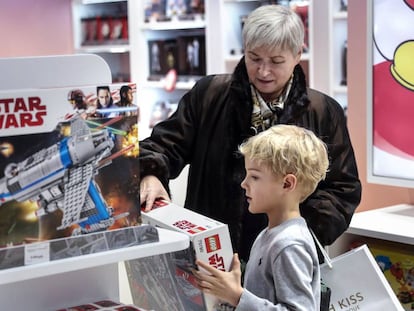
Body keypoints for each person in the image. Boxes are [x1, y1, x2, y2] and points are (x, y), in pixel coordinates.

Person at [139, 4, 362, 263]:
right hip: (210, 253)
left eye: (276, 61)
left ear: (297, 54)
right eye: (254, 58)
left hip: (284, 260)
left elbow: (342, 187)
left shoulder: (323, 112)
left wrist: (299, 234)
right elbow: (165, 145)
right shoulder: (209, 95)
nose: (263, 71)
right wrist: (150, 172)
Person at [193, 124, 329, 310]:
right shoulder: (269, 234)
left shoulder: (289, 244)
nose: (243, 183)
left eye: (254, 177)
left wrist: (237, 296)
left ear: (287, 184)